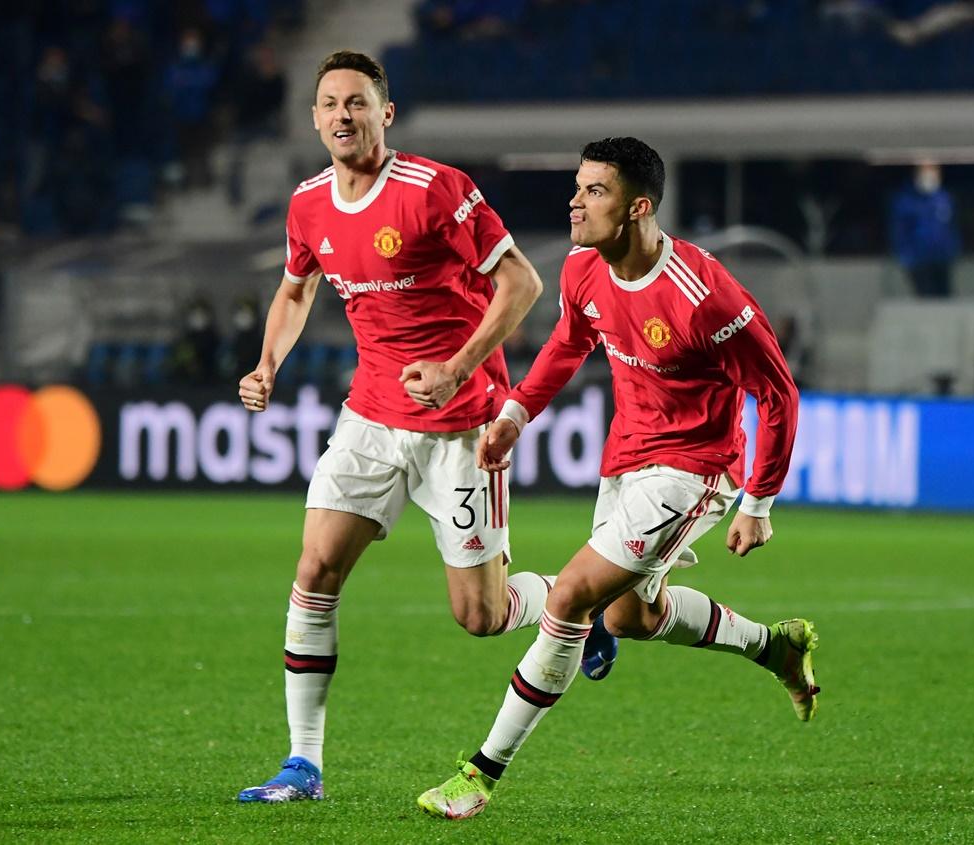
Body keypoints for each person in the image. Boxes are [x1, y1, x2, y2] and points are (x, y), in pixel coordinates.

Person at [417, 137, 816, 820]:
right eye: (576, 186)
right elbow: (570, 340)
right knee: (631, 614)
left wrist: (759, 499)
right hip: (626, 457)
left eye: (593, 190)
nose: (575, 200)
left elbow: (778, 392)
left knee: (570, 596)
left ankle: (479, 774)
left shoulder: (704, 295)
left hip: (695, 470)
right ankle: (774, 645)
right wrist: (515, 414)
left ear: (638, 207)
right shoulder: (582, 268)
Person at [235, 50, 581, 803]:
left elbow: (522, 281)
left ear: (384, 114)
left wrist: (458, 367)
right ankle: (303, 763)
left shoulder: (436, 190)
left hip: (462, 425)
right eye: (328, 104)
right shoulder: (308, 205)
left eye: (356, 102)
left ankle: (570, 597)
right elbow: (295, 291)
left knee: (481, 616)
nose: (341, 116)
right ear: (315, 118)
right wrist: (268, 365)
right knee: (314, 572)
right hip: (370, 417)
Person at [891, 160, 960, 298]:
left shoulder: (943, 197)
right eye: (926, 172)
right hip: (918, 260)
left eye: (934, 173)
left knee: (945, 299)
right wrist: (906, 256)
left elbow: (951, 227)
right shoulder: (905, 201)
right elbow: (899, 232)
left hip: (942, 258)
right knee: (926, 299)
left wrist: (954, 249)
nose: (930, 178)